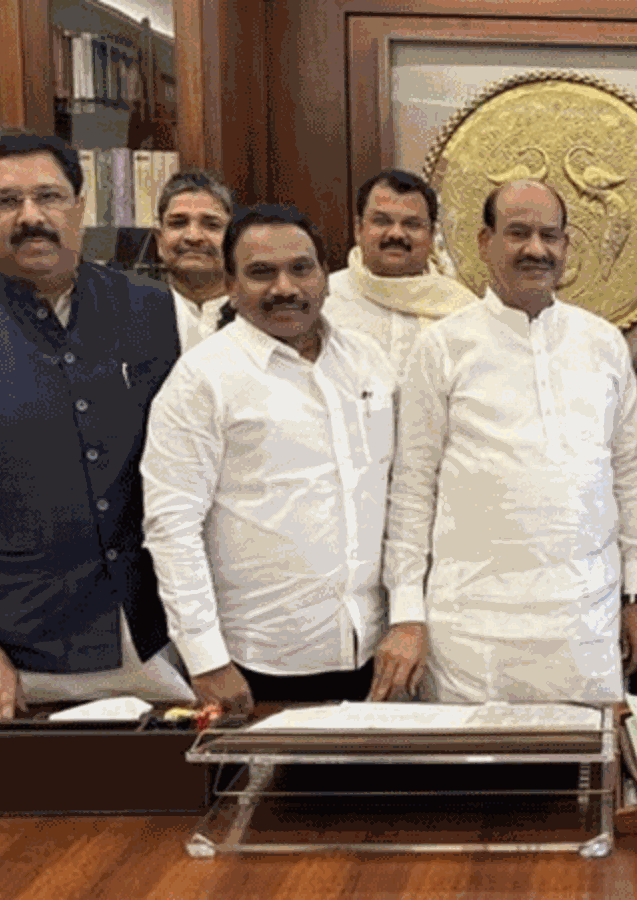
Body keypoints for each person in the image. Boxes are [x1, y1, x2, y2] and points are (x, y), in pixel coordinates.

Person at [0, 129, 192, 734]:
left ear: (80, 207)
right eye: (4, 202)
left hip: (165, 649)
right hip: (13, 663)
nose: (30, 217)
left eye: (49, 196)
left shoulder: (165, 314)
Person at [380, 179, 637, 703]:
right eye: (518, 233)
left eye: (549, 235)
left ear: (566, 246)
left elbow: (630, 478)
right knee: (477, 758)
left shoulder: (603, 343)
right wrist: (407, 614)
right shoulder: (442, 347)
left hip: (585, 621)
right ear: (485, 243)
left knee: (584, 755)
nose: (536, 249)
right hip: (472, 629)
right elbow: (412, 489)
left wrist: (635, 595)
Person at [142, 205, 398, 710]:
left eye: (301, 268)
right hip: (257, 664)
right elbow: (172, 527)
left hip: (371, 650)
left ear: (325, 276)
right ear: (230, 285)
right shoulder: (202, 378)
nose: (286, 287)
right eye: (262, 272)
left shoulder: (368, 361)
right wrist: (207, 660)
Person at [326, 168, 479, 364]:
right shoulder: (323, 301)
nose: (396, 234)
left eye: (412, 224)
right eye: (382, 221)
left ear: (432, 235)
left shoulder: (463, 310)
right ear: (358, 229)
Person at [154, 170, 233, 349]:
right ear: (159, 240)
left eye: (211, 225)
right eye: (178, 223)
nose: (193, 236)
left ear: (235, 240)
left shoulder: (259, 320)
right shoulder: (129, 317)